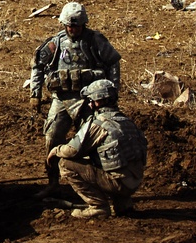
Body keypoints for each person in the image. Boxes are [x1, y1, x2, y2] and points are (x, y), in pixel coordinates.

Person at [29, 1, 121, 198]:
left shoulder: (95, 42)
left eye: (76, 25)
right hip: (61, 99)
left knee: (90, 142)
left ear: (84, 24)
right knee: (51, 138)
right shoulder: (56, 43)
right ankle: (53, 182)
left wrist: (112, 91)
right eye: (69, 25)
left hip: (89, 101)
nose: (72, 29)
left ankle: (94, 184)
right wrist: (34, 94)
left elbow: (113, 62)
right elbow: (37, 65)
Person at [47, 79, 147, 219]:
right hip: (134, 182)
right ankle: (122, 203)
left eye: (91, 100)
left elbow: (73, 150)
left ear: (98, 102)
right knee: (101, 159)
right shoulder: (126, 121)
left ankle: (97, 206)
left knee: (65, 163)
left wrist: (56, 150)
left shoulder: (99, 124)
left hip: (118, 183)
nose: (89, 103)